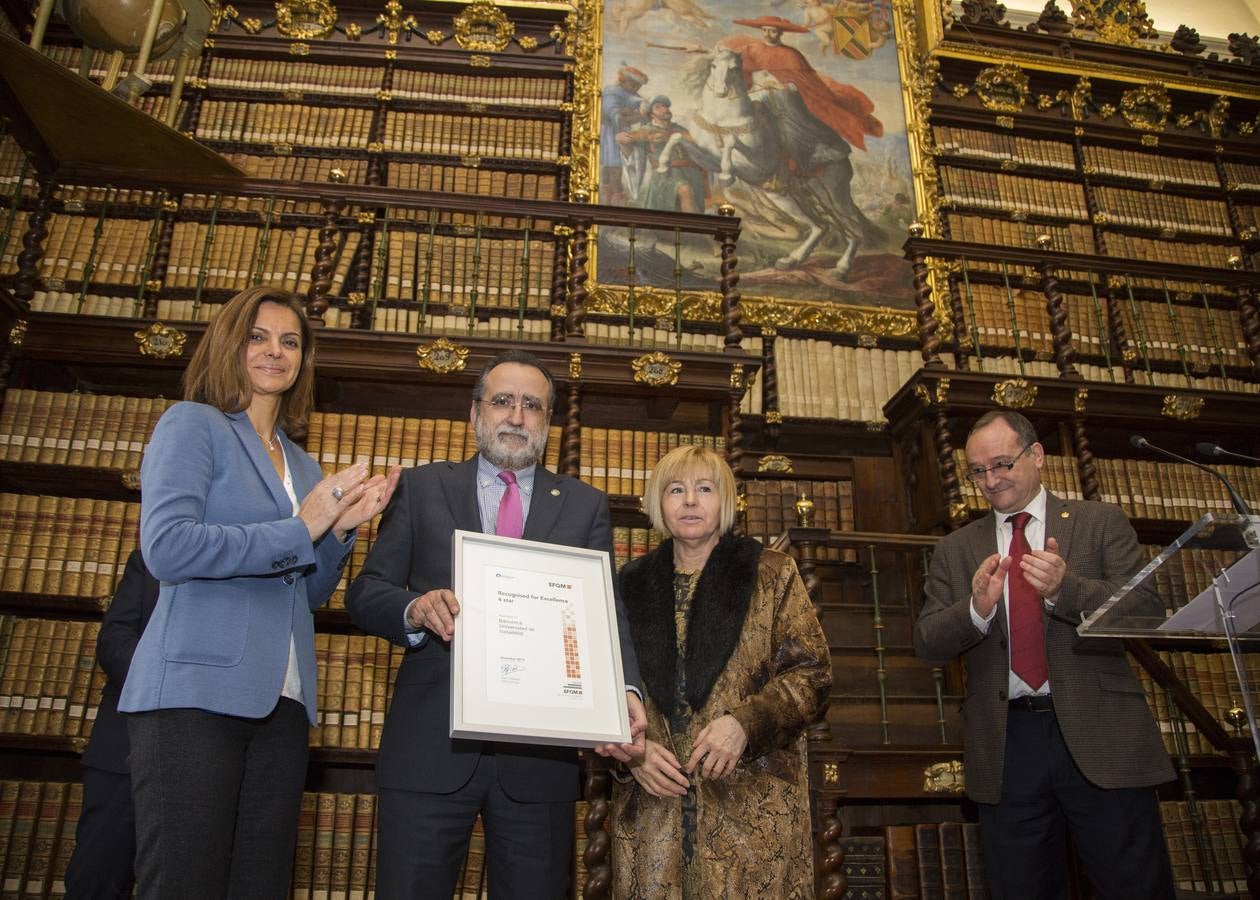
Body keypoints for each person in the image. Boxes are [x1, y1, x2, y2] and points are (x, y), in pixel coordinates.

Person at [119, 285, 400, 898]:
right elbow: (167, 547)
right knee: (184, 883)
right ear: (230, 343)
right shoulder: (193, 425)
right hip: (193, 696)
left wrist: (338, 534)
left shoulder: (303, 464)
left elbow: (309, 591)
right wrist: (300, 527)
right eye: (259, 336)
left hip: (284, 704)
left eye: (291, 341)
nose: (276, 351)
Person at [346, 348, 646, 900]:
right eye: (502, 401)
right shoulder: (422, 487)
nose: (516, 415)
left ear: (547, 423)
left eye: (532, 405)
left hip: (540, 765)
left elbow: (606, 614)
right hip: (430, 751)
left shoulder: (584, 506)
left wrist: (623, 689)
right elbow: (365, 593)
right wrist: (414, 609)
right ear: (475, 414)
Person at [913, 410, 1175, 900]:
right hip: (1007, 744)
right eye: (978, 471)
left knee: (1134, 884)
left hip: (1102, 737)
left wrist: (1065, 590)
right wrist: (975, 609)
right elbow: (927, 641)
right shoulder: (955, 548)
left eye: (1002, 464)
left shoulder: (1100, 524)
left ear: (1037, 456)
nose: (990, 481)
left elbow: (1146, 612)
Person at [611, 445, 831, 898]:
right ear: (658, 503)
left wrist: (745, 724)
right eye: (676, 489)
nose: (690, 501)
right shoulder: (626, 584)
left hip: (751, 807)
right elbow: (603, 685)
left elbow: (811, 673)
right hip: (653, 806)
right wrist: (632, 755)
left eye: (704, 489)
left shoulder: (771, 573)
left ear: (725, 501)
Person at [64, 549, 158, 899]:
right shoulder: (148, 560)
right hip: (123, 751)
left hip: (203, 763)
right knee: (96, 880)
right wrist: (173, 679)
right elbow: (113, 643)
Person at [718, 16, 882, 150]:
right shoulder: (751, 49)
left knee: (791, 128)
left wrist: (782, 86)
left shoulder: (792, 55)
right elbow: (728, 60)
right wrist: (700, 49)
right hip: (755, 93)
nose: (767, 34)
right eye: (765, 30)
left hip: (786, 98)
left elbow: (806, 85)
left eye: (772, 31)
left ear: (780, 33)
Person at [616, 95, 708, 213]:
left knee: (695, 205)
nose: (664, 109)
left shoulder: (681, 129)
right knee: (685, 190)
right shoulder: (645, 130)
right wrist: (620, 139)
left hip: (691, 172)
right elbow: (630, 149)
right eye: (658, 107)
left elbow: (695, 151)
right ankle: (694, 229)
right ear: (651, 114)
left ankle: (692, 229)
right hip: (667, 173)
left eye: (665, 106)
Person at [600, 66, 650, 206]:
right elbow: (614, 113)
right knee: (614, 167)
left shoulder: (632, 94)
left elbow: (641, 108)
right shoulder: (612, 92)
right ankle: (615, 199)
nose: (636, 87)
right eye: (633, 84)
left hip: (620, 131)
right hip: (612, 132)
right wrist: (629, 114)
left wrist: (639, 112)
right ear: (623, 81)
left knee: (613, 166)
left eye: (638, 85)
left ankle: (611, 197)